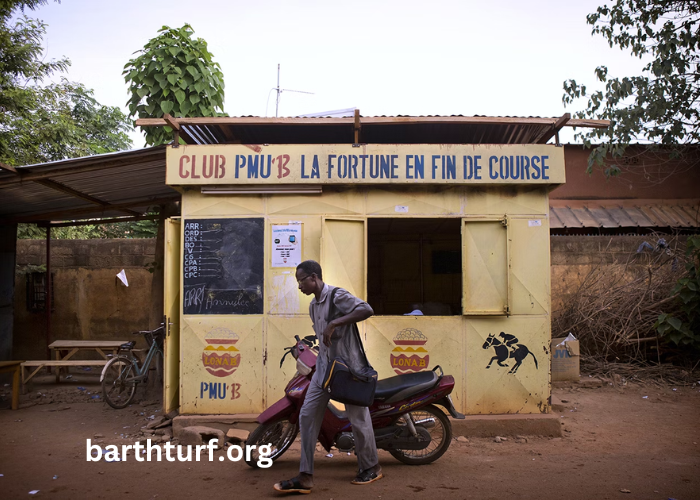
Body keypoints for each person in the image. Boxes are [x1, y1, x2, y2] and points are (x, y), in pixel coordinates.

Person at [274, 260, 382, 494]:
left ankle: (371, 467)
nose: (299, 286)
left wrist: (335, 322)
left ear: (314, 277)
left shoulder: (336, 296)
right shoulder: (313, 305)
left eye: (301, 281)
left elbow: (366, 309)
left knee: (358, 420)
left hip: (348, 371)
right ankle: (305, 476)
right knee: (307, 415)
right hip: (324, 371)